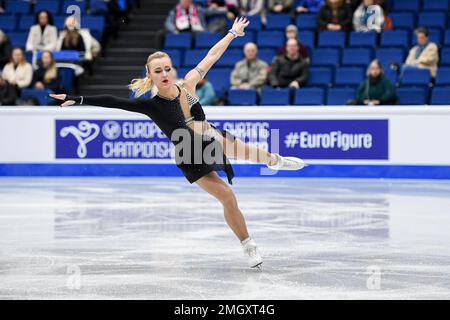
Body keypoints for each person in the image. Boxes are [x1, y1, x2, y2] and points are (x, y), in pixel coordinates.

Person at [51, 17, 307, 269]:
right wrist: (78, 98)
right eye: (157, 71)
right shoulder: (150, 105)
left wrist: (232, 32)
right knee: (228, 197)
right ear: (150, 75)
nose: (164, 73)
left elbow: (212, 56)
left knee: (253, 153)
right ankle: (248, 245)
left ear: (171, 69)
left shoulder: (188, 85)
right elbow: (113, 101)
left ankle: (277, 161)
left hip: (211, 137)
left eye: (166, 68)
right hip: (188, 153)